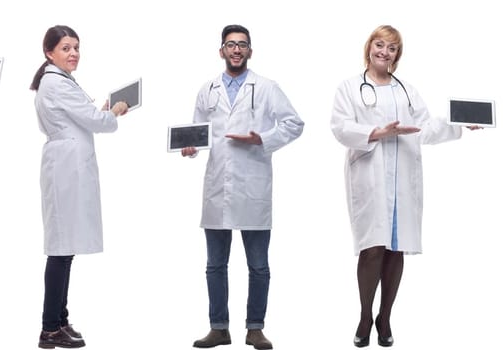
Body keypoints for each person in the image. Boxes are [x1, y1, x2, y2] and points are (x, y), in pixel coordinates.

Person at [330, 25, 478, 348]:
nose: (384, 52)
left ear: (398, 55)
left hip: (403, 180)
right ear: (369, 47)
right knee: (372, 249)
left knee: (396, 249)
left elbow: (424, 128)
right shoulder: (350, 88)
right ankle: (365, 315)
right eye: (380, 45)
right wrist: (376, 133)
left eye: (392, 48)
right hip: (371, 177)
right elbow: (340, 127)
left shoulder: (407, 91)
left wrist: (457, 123)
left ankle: (385, 317)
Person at [181, 24, 304, 350]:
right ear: (221, 50)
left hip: (253, 185)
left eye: (242, 45)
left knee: (259, 266)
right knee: (215, 265)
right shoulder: (207, 90)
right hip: (218, 185)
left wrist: (261, 138)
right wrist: (191, 148)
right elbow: (198, 132)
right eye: (231, 45)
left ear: (250, 51)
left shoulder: (266, 87)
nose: (236, 50)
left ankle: (255, 329)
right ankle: (219, 328)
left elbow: (295, 123)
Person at [30, 25, 130, 349]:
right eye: (65, 48)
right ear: (49, 52)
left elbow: (83, 118)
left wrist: (97, 114)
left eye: (76, 47)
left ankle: (60, 320)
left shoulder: (59, 81)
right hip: (66, 168)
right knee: (60, 250)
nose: (73, 53)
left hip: (68, 164)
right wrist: (114, 113)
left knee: (66, 248)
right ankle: (49, 328)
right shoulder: (56, 83)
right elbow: (98, 123)